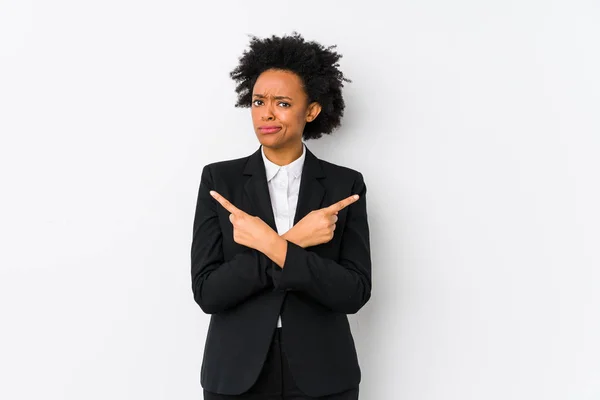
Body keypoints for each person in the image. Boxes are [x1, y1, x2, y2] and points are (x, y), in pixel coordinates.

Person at [191, 32, 372, 400]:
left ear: (312, 110)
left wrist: (271, 245)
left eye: (283, 103)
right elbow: (208, 292)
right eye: (259, 101)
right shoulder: (219, 181)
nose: (267, 113)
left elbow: (353, 292)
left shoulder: (344, 185)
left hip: (324, 372)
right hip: (236, 372)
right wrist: (294, 241)